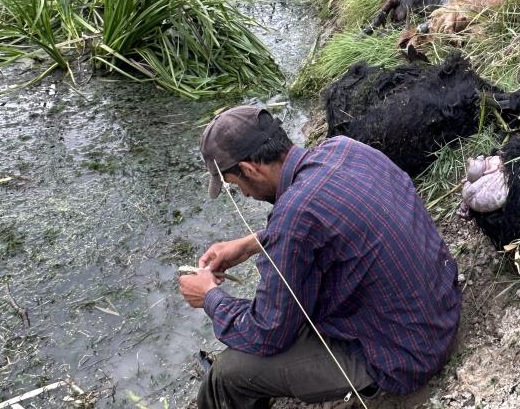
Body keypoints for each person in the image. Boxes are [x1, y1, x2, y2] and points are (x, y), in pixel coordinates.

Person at [178, 105, 461, 408]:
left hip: (404, 357)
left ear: (249, 169)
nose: (245, 195)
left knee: (227, 373)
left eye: (237, 186)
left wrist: (209, 296)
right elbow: (334, 223)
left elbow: (267, 332)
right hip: (441, 312)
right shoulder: (343, 148)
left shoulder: (294, 218)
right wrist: (250, 244)